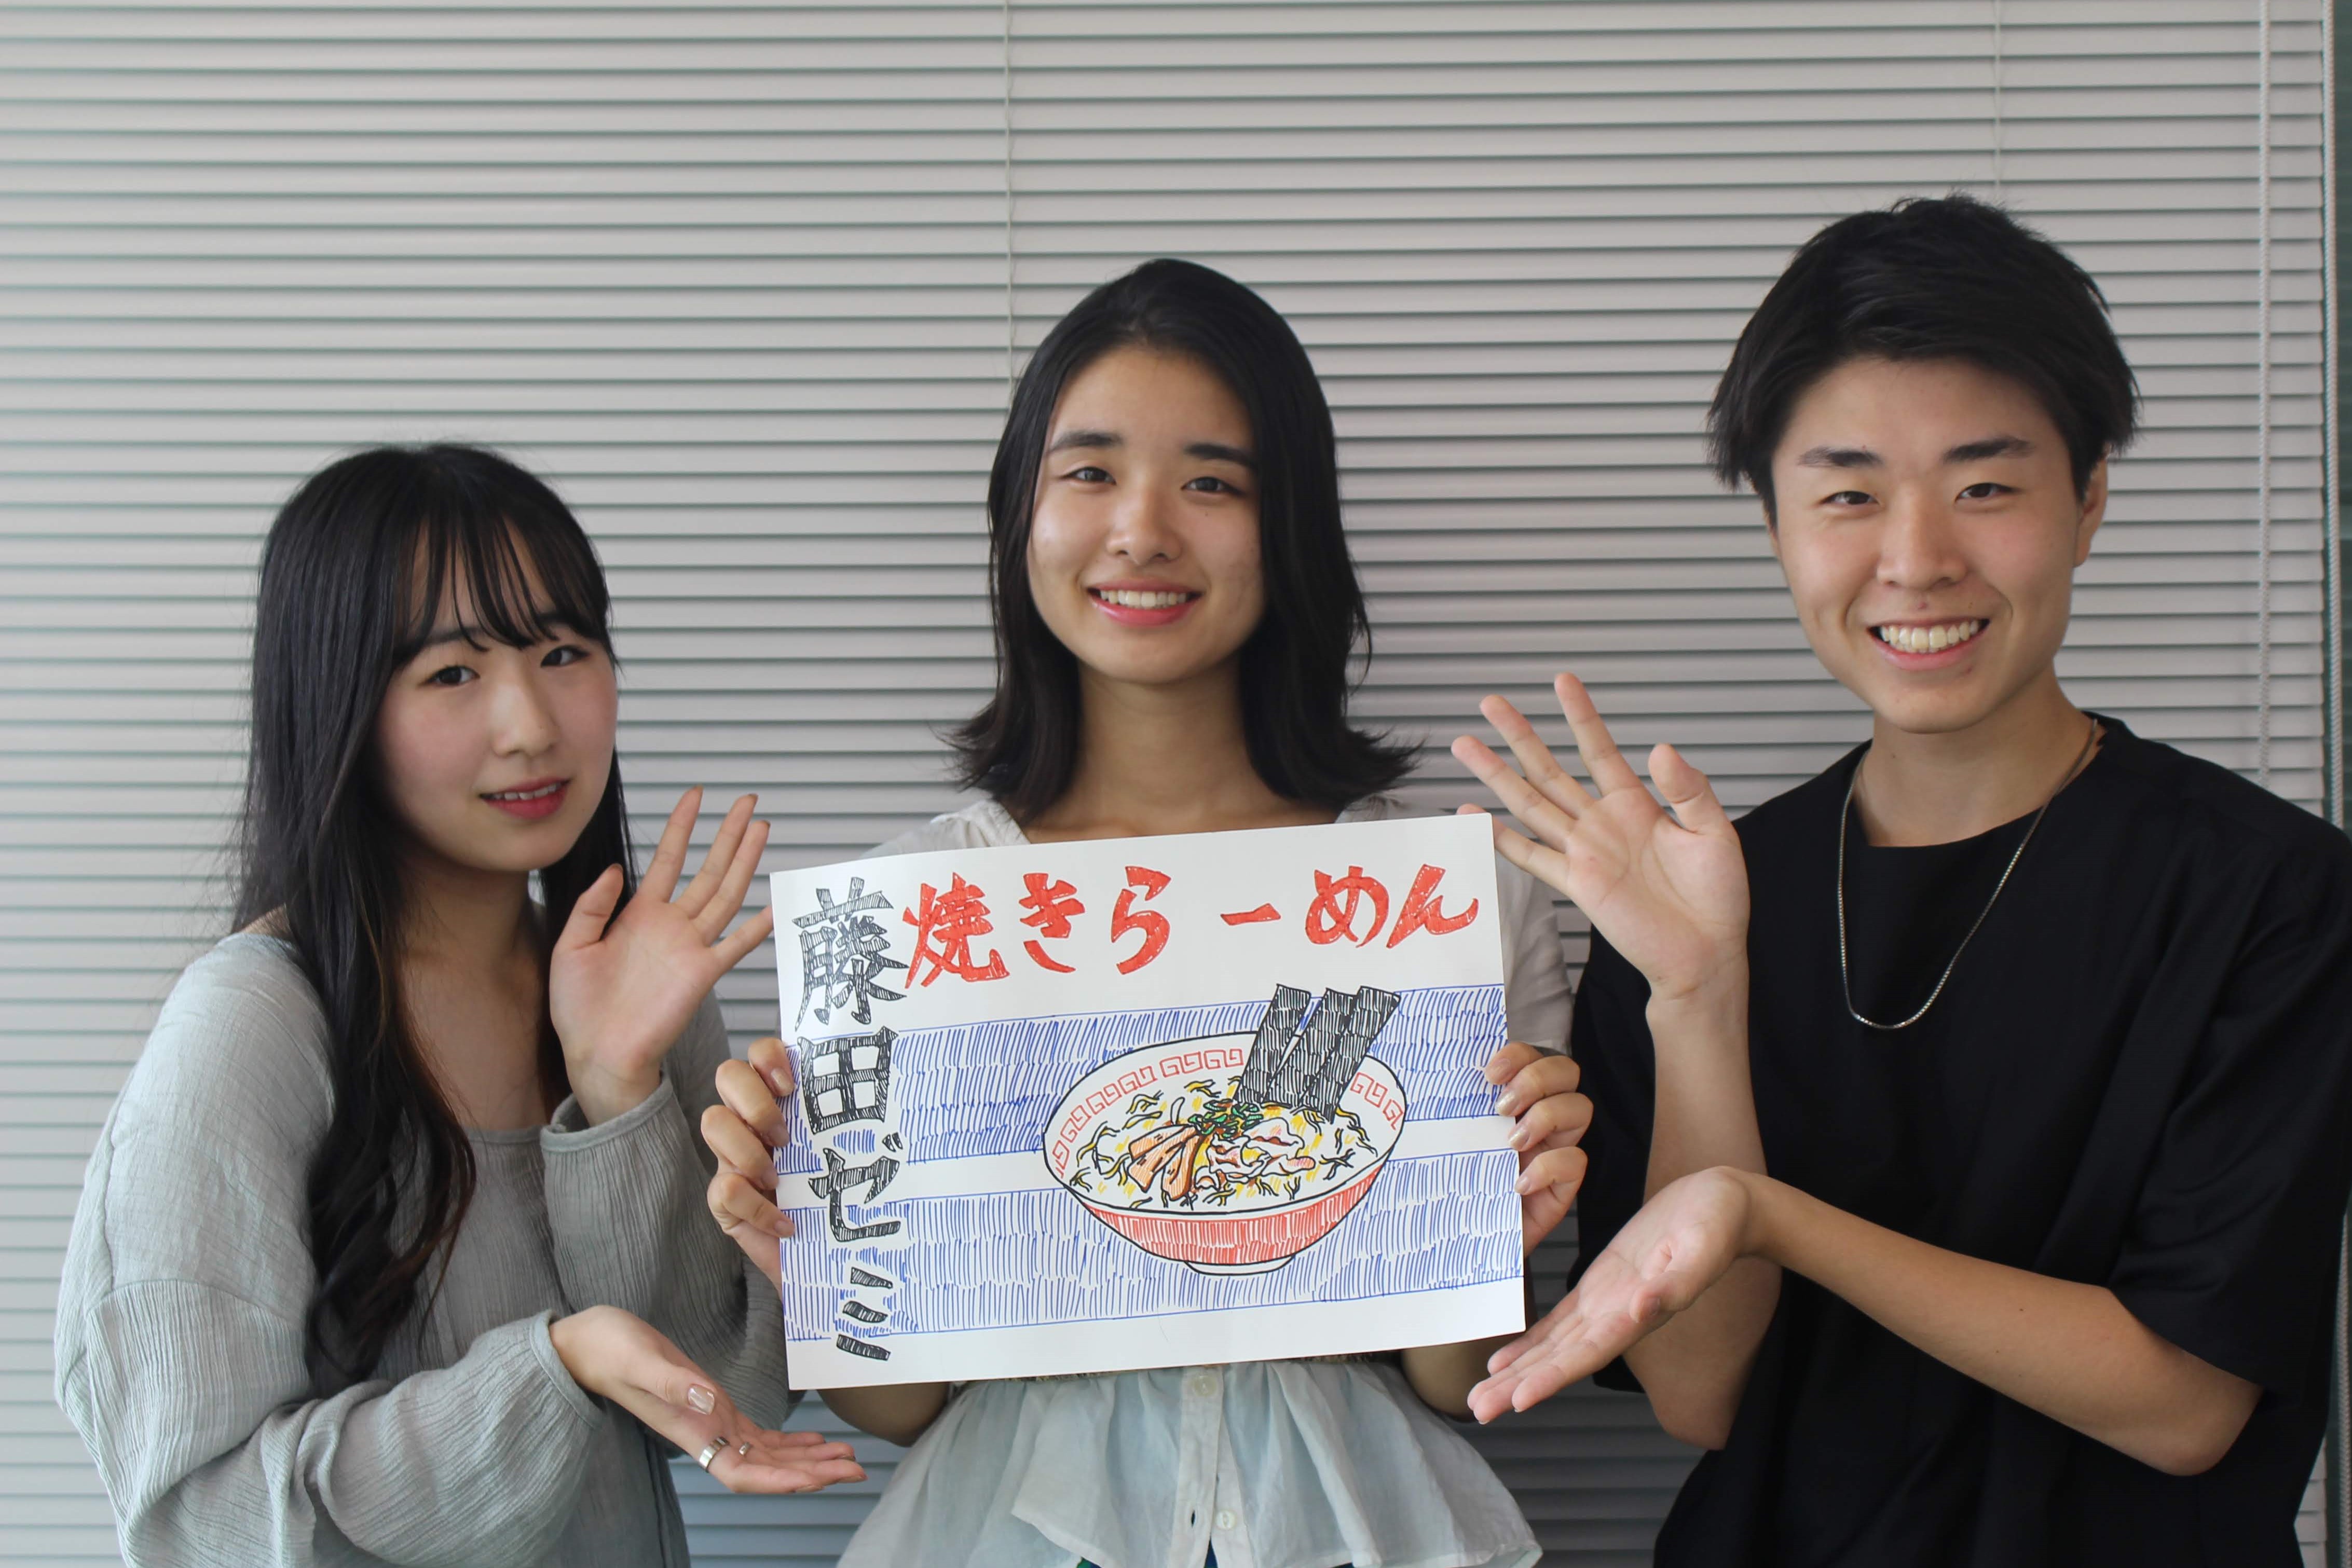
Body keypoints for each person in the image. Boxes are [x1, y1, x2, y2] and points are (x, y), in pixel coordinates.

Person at [1450, 195, 2352, 1567]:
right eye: (1848, 494)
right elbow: (1699, 1393)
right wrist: (1695, 993)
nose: (1917, 559)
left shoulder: (2267, 893)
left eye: (1983, 486)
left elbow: (2182, 1404)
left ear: (2088, 500)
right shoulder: (1690, 898)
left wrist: (1773, 1218)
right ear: (1776, 526)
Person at [699, 259, 1593, 1568]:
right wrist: (808, 1251)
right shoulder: (906, 914)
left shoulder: (1442, 896)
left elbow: (1454, 1380)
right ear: (1020, 512)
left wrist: (1502, 1216)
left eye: (1213, 482)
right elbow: (901, 1405)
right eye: (1090, 472)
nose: (1142, 531)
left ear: (1291, 527)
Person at [54, 445, 863, 1567]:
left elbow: (729, 1396)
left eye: (563, 652)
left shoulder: (633, 988)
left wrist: (616, 1092)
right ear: (338, 700)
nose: (529, 724)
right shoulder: (256, 1022)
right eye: (451, 673)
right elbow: (197, 1514)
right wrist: (556, 1365)